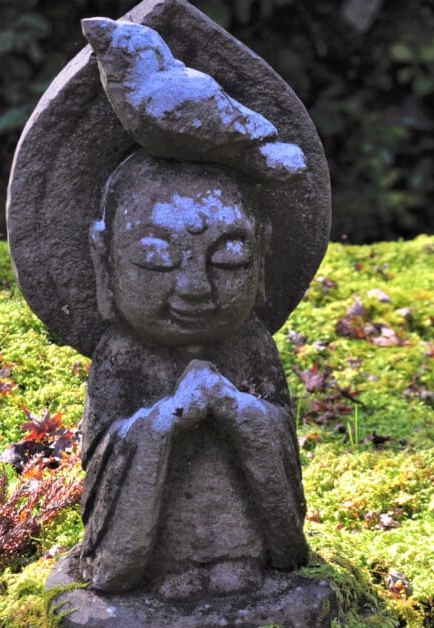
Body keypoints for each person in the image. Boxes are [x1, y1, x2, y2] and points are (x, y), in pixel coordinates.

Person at [76, 151, 309, 602]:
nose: (195, 286)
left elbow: (278, 429)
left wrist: (237, 409)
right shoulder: (120, 354)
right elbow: (103, 454)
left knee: (240, 579)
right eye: (156, 258)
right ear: (105, 263)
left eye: (229, 259)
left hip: (240, 528)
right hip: (156, 541)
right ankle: (166, 565)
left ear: (261, 255)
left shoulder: (252, 343)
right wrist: (166, 419)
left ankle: (241, 558)